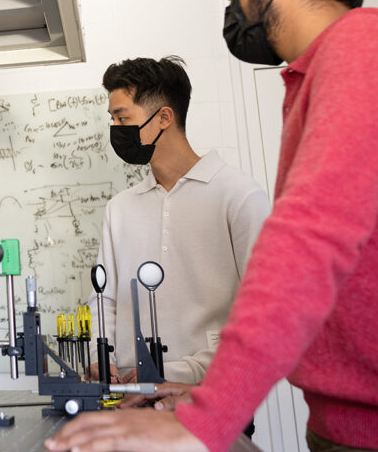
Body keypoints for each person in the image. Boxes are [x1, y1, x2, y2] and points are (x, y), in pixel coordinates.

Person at [47, 0, 378, 452]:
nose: (236, 14)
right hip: (353, 425)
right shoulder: (324, 72)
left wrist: (208, 415)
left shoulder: (364, 57)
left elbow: (304, 246)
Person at [90, 56, 269, 388]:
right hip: (130, 397)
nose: (116, 130)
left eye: (122, 117)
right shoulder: (120, 208)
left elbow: (263, 311)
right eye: (112, 119)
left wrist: (188, 372)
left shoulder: (239, 195)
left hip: (208, 397)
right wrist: (99, 357)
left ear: (163, 118)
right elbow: (104, 298)